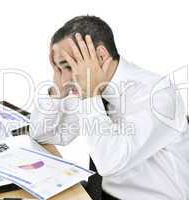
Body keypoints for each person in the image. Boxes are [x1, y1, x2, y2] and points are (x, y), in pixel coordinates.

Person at [30, 15, 189, 200]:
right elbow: (44, 134)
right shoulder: (86, 86)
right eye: (59, 68)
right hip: (98, 194)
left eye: (69, 66)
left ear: (101, 56)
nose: (65, 78)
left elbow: (109, 162)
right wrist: (57, 92)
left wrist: (90, 95)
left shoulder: (157, 94)